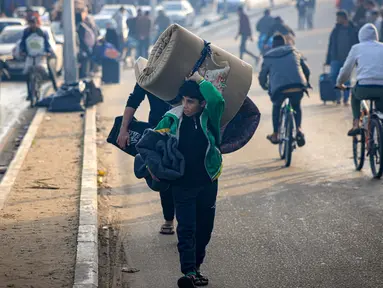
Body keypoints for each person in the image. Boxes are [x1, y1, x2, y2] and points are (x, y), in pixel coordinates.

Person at [154, 72, 224, 288]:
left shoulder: (210, 117)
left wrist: (199, 79)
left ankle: (197, 267)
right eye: (184, 100)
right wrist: (155, 168)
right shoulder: (172, 118)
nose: (186, 105)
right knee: (186, 228)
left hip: (207, 182)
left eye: (191, 102)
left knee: (204, 229)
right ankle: (189, 272)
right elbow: (153, 142)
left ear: (202, 104)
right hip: (182, 185)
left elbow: (217, 100)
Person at [117, 79, 174, 234]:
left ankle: (186, 222)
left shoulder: (188, 68)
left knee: (185, 175)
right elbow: (134, 99)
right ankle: (169, 219)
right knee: (163, 175)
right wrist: (123, 129)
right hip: (158, 131)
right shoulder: (150, 72)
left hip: (186, 128)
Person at [259, 34, 310, 146]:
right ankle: (299, 129)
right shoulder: (294, 51)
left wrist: (265, 86)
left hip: (279, 89)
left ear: (273, 45)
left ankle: (276, 134)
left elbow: (262, 76)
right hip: (297, 85)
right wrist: (306, 83)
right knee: (296, 105)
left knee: (277, 106)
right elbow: (306, 70)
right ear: (284, 43)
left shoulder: (268, 56)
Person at [336, 24, 383, 136]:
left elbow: (346, 70)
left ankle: (356, 123)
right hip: (382, 88)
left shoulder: (357, 48)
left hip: (363, 89)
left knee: (354, 94)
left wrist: (339, 83)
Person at [20, 15, 57, 100]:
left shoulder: (42, 32)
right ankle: (30, 93)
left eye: (34, 23)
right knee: (27, 73)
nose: (32, 25)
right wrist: (22, 51)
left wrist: (47, 52)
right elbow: (23, 43)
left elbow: (47, 44)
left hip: (40, 56)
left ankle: (53, 87)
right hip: (30, 56)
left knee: (48, 71)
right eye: (31, 23)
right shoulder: (26, 32)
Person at [325, 10, 358, 105]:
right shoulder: (335, 30)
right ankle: (338, 95)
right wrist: (328, 60)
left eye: (338, 18)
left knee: (346, 80)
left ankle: (346, 98)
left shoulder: (353, 29)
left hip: (348, 59)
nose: (337, 20)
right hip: (335, 58)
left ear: (344, 18)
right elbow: (331, 45)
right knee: (333, 76)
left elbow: (356, 44)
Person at [76, 8, 95, 79]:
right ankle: (84, 74)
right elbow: (81, 39)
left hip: (86, 47)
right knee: (85, 61)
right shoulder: (81, 26)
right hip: (84, 48)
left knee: (86, 61)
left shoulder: (83, 25)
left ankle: (86, 73)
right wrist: (85, 48)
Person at [102, 20, 120, 84]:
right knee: (111, 65)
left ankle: (108, 79)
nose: (107, 26)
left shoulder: (111, 32)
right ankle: (112, 79)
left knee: (109, 65)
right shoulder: (112, 32)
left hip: (110, 51)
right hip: (111, 51)